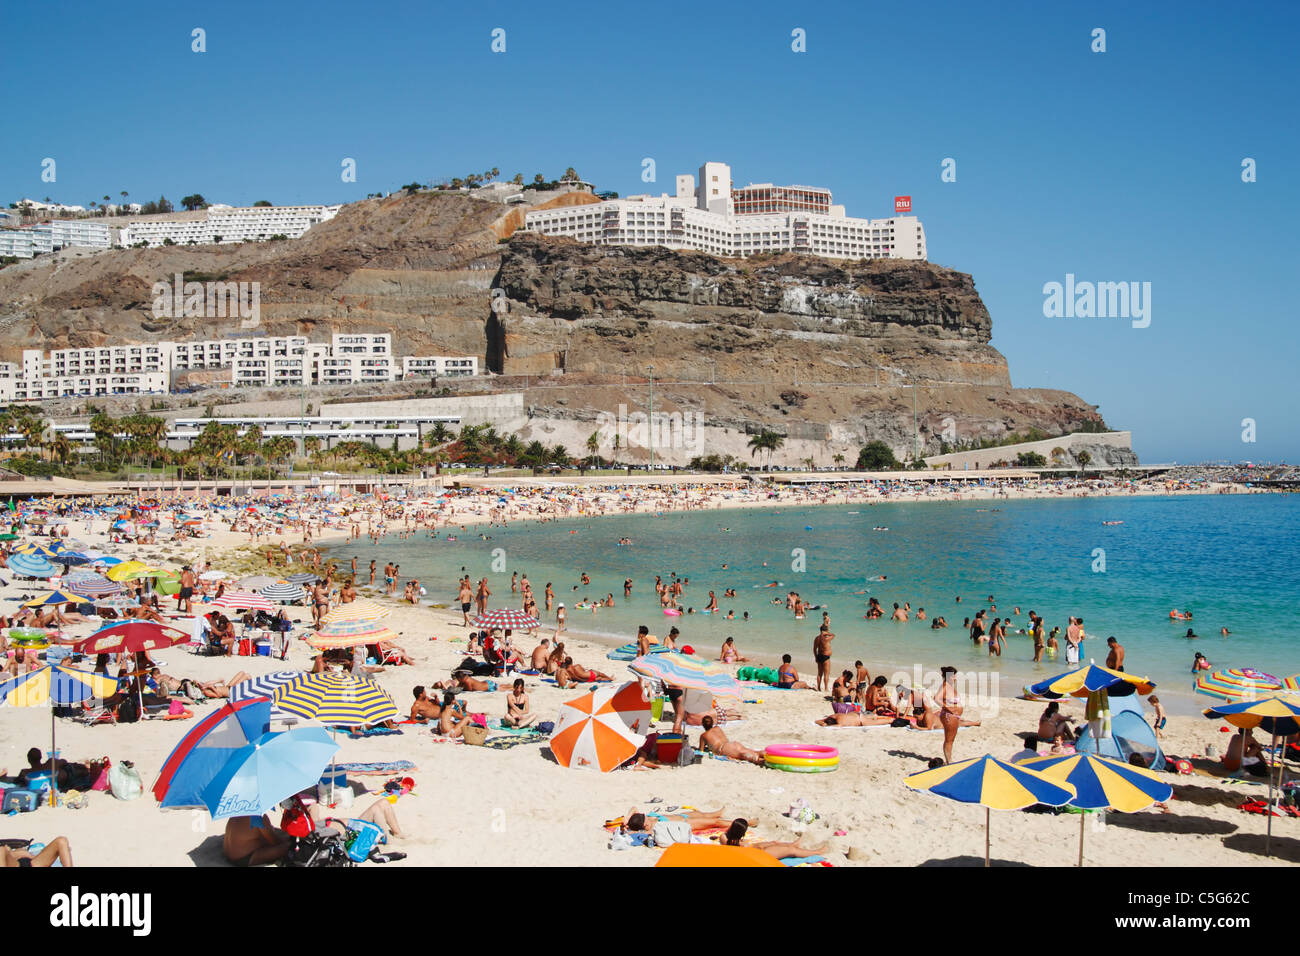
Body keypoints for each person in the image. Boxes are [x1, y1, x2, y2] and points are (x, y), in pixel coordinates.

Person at [722, 818, 827, 860]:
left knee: (774, 842)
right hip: (760, 856)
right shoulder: (742, 844)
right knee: (791, 851)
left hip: (755, 850)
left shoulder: (725, 839)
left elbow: (726, 833)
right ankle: (818, 852)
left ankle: (794, 843)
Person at [938, 665, 979, 764]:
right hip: (949, 716)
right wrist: (948, 709)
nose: (955, 677)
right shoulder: (945, 686)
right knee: (949, 739)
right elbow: (936, 698)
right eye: (954, 676)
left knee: (950, 739)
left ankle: (949, 759)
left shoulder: (949, 686)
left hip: (953, 716)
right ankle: (949, 761)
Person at [223, 815, 290, 866]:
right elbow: (275, 841)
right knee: (287, 847)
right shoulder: (258, 817)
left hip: (228, 853)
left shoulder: (237, 813)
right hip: (244, 858)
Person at [699, 714, 763, 765]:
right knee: (752, 752)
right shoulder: (717, 728)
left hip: (724, 749)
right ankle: (767, 753)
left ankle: (766, 762)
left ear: (703, 724)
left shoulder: (703, 735)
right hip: (732, 744)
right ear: (712, 723)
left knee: (752, 758)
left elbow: (700, 751)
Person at [1, 836, 73, 868]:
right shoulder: (2, 851)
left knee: (61, 841)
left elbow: (27, 855)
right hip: (29, 863)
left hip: (31, 862)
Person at [813, 625, 834, 692]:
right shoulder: (826, 638)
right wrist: (827, 633)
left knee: (819, 673)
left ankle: (819, 687)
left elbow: (814, 649)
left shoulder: (817, 638)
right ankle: (826, 688)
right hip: (825, 657)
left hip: (819, 656)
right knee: (826, 674)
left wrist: (816, 657)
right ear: (826, 630)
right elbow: (833, 635)